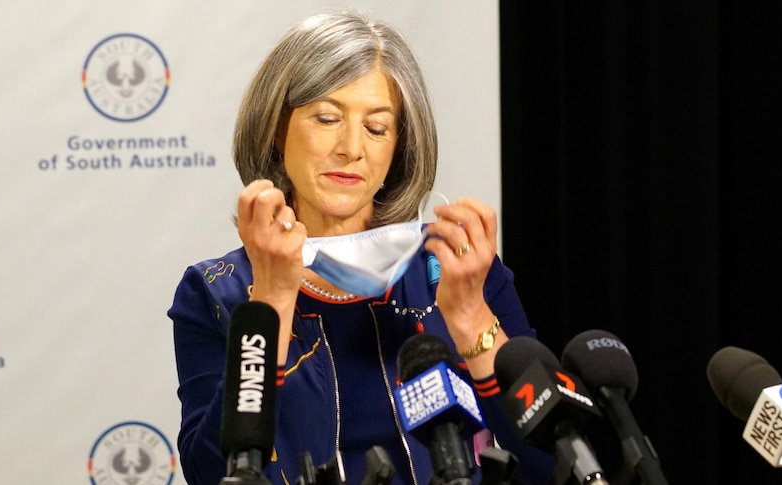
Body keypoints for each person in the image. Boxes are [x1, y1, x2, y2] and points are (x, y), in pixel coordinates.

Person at [169, 8, 555, 485]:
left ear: (399, 147)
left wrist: (471, 318)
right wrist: (271, 301)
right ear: (276, 128)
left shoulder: (455, 269)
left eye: (376, 128)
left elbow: (553, 463)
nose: (351, 147)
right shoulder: (216, 293)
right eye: (327, 118)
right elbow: (210, 472)